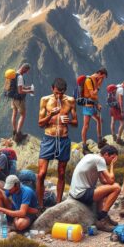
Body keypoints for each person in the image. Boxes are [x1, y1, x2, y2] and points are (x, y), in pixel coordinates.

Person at [37, 78, 77, 209]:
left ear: (64, 91)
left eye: (61, 93)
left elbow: (76, 123)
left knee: (61, 172)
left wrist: (69, 121)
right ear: (52, 89)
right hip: (49, 138)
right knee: (41, 173)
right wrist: (50, 115)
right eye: (56, 93)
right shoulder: (45, 100)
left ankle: (58, 204)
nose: (58, 95)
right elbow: (40, 124)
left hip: (63, 139)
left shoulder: (70, 101)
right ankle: (40, 205)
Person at [69, 145, 120, 232]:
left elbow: (104, 181)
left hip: (76, 192)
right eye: (112, 158)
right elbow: (111, 181)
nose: (113, 160)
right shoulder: (100, 160)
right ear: (106, 154)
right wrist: (111, 166)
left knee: (102, 189)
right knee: (117, 188)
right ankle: (102, 217)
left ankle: (100, 216)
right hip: (82, 193)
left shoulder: (92, 157)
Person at [81, 68, 108, 155]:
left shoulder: (95, 80)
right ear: (99, 73)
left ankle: (100, 141)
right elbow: (92, 94)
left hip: (92, 104)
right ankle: (84, 146)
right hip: (87, 105)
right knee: (86, 125)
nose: (102, 79)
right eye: (102, 77)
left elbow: (94, 96)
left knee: (99, 120)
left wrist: (97, 104)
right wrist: (99, 87)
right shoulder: (89, 80)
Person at [11, 63, 34, 143]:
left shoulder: (15, 74)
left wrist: (26, 87)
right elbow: (20, 91)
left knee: (14, 113)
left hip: (13, 98)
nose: (27, 72)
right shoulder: (20, 77)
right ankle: (18, 135)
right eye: (27, 71)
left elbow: (18, 87)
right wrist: (29, 91)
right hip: (19, 100)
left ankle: (14, 132)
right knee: (22, 115)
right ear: (24, 69)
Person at [109, 79, 124, 146]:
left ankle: (113, 135)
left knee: (113, 121)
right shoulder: (121, 89)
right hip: (117, 108)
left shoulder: (116, 86)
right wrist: (122, 110)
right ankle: (118, 139)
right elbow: (120, 101)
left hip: (112, 106)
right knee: (122, 123)